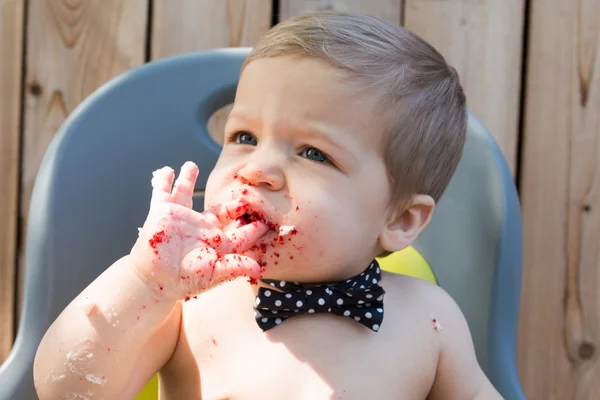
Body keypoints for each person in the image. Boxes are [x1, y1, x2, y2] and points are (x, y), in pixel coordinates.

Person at [33, 11, 502, 399]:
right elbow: (67, 390)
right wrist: (144, 284)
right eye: (244, 137)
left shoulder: (427, 319)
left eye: (313, 153)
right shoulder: (184, 304)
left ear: (399, 220)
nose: (257, 169)